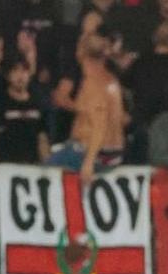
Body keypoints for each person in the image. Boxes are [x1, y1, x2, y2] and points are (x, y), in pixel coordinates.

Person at [46, 29, 124, 183]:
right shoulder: (111, 80)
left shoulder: (92, 84)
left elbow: (99, 124)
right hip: (113, 152)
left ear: (80, 52)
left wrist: (88, 162)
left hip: (94, 153)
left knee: (43, 175)